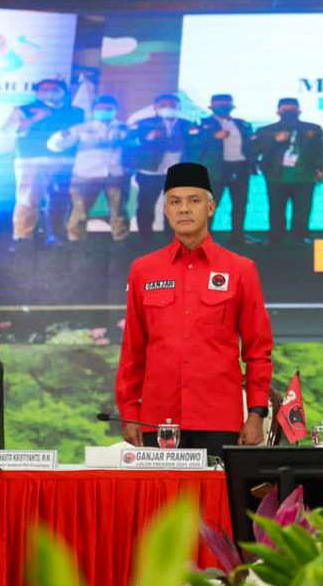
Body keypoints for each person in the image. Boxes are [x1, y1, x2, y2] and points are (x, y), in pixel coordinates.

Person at [115, 163, 274, 458]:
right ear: (166, 210)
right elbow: (133, 349)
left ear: (211, 208)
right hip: (157, 420)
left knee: (217, 491)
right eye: (175, 202)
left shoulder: (241, 269)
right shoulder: (143, 270)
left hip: (218, 419)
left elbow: (258, 351)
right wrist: (129, 411)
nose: (184, 209)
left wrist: (256, 413)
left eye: (194, 200)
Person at [2, 78, 84, 249]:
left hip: (65, 161)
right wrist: (34, 118)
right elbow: (7, 130)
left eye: (54, 89)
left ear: (63, 92)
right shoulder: (25, 110)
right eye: (44, 89)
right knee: (28, 199)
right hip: (31, 160)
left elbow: (83, 134)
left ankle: (56, 235)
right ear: (37, 93)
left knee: (59, 200)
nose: (49, 92)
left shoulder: (76, 112)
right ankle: (23, 237)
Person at [47, 95, 130, 244]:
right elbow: (56, 146)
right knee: (80, 212)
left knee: (119, 211)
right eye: (101, 108)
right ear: (93, 111)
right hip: (85, 176)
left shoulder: (125, 128)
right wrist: (60, 135)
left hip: (115, 175)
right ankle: (75, 242)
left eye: (109, 109)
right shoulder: (81, 129)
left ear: (116, 110)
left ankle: (121, 242)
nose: (105, 111)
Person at [252, 98, 323, 245]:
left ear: (299, 111)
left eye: (292, 109)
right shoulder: (266, 130)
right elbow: (255, 150)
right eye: (285, 109)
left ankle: (300, 236)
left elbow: (321, 150)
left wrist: (321, 169)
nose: (289, 112)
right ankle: (276, 237)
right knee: (276, 208)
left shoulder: (313, 128)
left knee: (303, 209)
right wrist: (275, 140)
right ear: (278, 111)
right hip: (276, 176)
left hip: (305, 175)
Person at [126, 94, 198, 248]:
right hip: (150, 172)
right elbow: (130, 144)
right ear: (155, 108)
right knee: (146, 207)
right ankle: (145, 239)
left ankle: (173, 240)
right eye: (164, 105)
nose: (168, 108)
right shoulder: (143, 124)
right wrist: (147, 139)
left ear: (179, 108)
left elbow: (195, 145)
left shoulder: (187, 124)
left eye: (172, 105)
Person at [195, 93, 255, 246]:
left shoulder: (242, 124)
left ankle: (238, 236)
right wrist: (213, 137)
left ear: (232, 106)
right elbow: (192, 144)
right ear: (211, 106)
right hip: (216, 169)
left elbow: (252, 145)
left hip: (240, 167)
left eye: (227, 103)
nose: (224, 106)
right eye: (220, 104)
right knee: (210, 206)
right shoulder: (202, 123)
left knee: (240, 204)